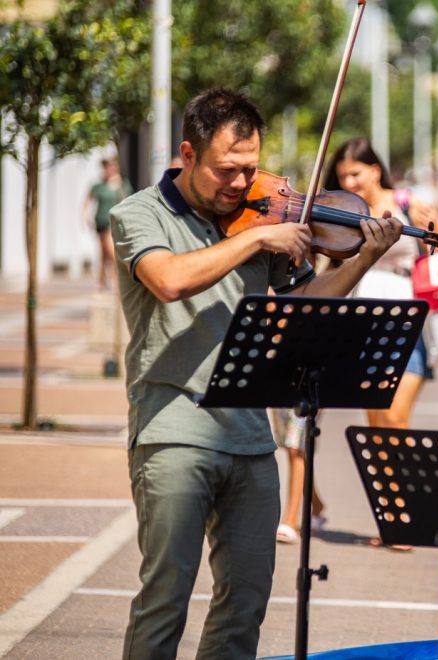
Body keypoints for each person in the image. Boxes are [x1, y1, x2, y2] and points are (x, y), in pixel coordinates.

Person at [110, 87, 402, 659]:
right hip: (172, 427)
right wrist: (257, 239)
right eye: (226, 170)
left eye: (250, 170)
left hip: (248, 432)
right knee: (166, 596)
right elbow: (168, 280)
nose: (241, 185)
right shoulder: (138, 213)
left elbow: (306, 306)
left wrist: (363, 258)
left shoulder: (260, 219)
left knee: (245, 602)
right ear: (188, 155)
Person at [325, 136, 438, 429]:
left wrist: (434, 230)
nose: (349, 182)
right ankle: (385, 477)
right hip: (362, 322)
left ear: (375, 171)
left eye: (355, 174)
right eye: (342, 176)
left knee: (394, 418)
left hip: (407, 319)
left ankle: (409, 476)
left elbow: (435, 251)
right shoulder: (340, 212)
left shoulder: (404, 201)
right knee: (375, 423)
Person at [270, 408, 326, 544]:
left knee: (296, 448)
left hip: (309, 390)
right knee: (291, 446)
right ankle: (316, 504)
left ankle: (291, 520)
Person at [84, 156, 132, 290]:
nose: (109, 169)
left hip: (113, 222)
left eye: (112, 166)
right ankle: (103, 280)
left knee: (110, 251)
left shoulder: (122, 184)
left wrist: (118, 185)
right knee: (103, 252)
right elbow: (87, 201)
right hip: (100, 222)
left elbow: (126, 201)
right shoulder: (98, 185)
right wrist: (85, 217)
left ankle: (114, 279)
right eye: (107, 167)